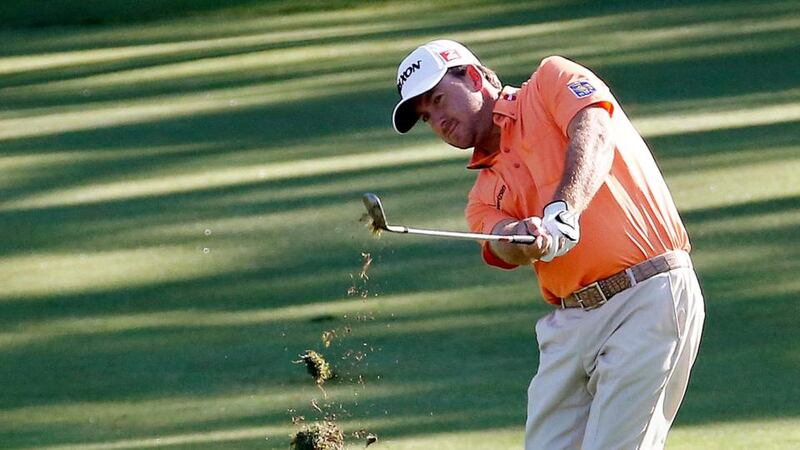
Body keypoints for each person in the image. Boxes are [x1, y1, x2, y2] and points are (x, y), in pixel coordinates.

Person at [390, 39, 705, 450]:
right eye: (426, 116)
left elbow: (593, 130)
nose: (437, 119)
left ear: (473, 75)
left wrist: (564, 209)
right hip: (569, 323)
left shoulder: (551, 81)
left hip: (648, 294)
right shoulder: (482, 196)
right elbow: (503, 243)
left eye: (438, 99)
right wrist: (526, 242)